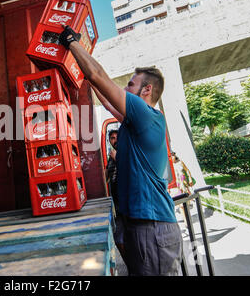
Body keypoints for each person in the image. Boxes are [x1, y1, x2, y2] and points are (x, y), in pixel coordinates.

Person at [59, 26, 183, 276]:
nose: (125, 90)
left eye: (130, 85)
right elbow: (105, 98)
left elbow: (99, 76)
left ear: (146, 90)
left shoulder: (145, 114)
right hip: (138, 226)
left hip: (153, 228)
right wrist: (83, 74)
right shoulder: (131, 121)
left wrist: (72, 43)